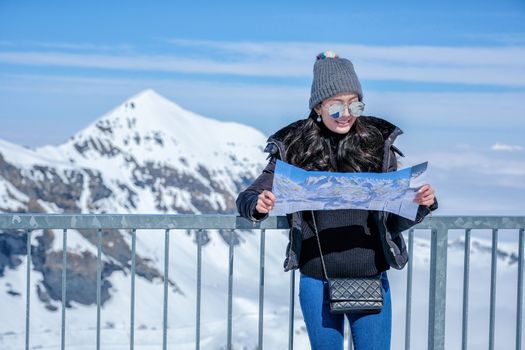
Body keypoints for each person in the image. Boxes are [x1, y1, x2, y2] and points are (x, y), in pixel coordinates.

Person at [236, 50, 437, 350]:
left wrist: (419, 204)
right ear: (318, 106)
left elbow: (392, 222)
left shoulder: (377, 147)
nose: (346, 114)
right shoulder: (295, 148)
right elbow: (249, 196)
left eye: (354, 104)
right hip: (317, 280)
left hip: (371, 277)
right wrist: (259, 204)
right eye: (336, 106)